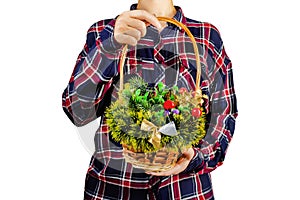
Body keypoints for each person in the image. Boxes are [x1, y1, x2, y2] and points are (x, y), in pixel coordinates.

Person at [62, 0, 238, 199]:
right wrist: (109, 46)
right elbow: (77, 110)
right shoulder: (104, 31)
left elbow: (223, 114)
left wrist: (197, 157)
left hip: (185, 190)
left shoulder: (205, 36)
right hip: (112, 189)